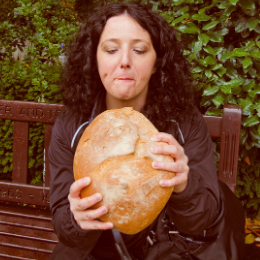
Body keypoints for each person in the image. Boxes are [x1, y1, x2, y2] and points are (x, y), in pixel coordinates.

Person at [49, 3, 245, 260]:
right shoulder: (71, 127)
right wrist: (77, 218)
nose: (124, 62)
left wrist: (184, 185)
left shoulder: (184, 123)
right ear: (93, 58)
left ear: (156, 63)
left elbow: (202, 220)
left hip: (170, 247)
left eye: (139, 50)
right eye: (110, 49)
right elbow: (64, 225)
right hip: (99, 250)